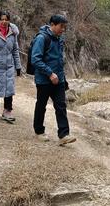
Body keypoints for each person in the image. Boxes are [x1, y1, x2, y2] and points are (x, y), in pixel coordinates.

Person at [31, 14, 76, 145]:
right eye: (61, 26)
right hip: (44, 80)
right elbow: (35, 59)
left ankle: (64, 135)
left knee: (61, 106)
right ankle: (39, 131)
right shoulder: (42, 38)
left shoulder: (60, 39)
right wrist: (50, 73)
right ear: (52, 25)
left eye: (65, 27)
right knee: (41, 105)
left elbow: (59, 61)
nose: (63, 29)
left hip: (59, 80)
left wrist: (62, 78)